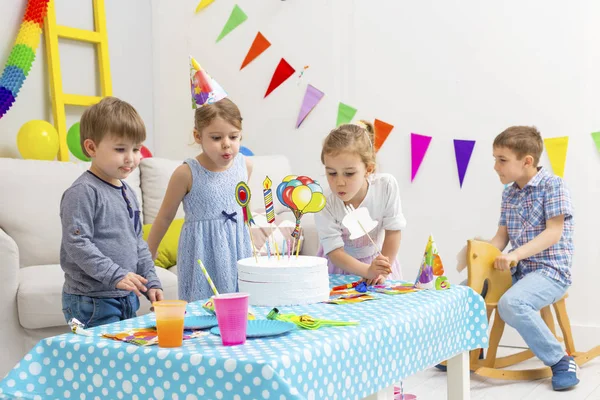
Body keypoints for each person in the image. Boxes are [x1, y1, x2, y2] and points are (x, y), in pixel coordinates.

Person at [457, 126, 577, 390]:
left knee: (512, 303)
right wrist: (479, 253)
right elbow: (501, 238)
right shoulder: (510, 193)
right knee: (465, 291)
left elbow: (553, 233)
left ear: (527, 161)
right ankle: (468, 350)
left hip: (551, 271)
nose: (495, 166)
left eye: (501, 160)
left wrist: (516, 255)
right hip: (517, 269)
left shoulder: (554, 186)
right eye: (494, 159)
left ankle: (560, 360)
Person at [61, 97, 163, 328]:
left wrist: (152, 283)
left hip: (125, 295)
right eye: (120, 149)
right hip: (92, 300)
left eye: (136, 149)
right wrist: (115, 275)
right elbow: (77, 243)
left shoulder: (128, 191)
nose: (131, 158)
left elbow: (138, 243)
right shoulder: (83, 191)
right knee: (101, 360)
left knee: (123, 358)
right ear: (91, 148)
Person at [147, 98, 252, 302]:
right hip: (202, 250)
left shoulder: (245, 166)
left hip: (238, 248)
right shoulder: (186, 173)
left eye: (233, 136)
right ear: (198, 136)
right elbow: (164, 217)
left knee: (241, 306)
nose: (226, 145)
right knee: (203, 308)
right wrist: (147, 256)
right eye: (216, 137)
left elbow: (243, 208)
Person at [315, 121, 406, 285]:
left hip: (379, 264)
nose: (339, 182)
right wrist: (367, 271)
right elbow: (335, 252)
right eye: (332, 173)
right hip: (338, 267)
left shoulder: (386, 186)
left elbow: (393, 232)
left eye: (349, 174)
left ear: (369, 169)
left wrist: (381, 271)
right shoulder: (324, 201)